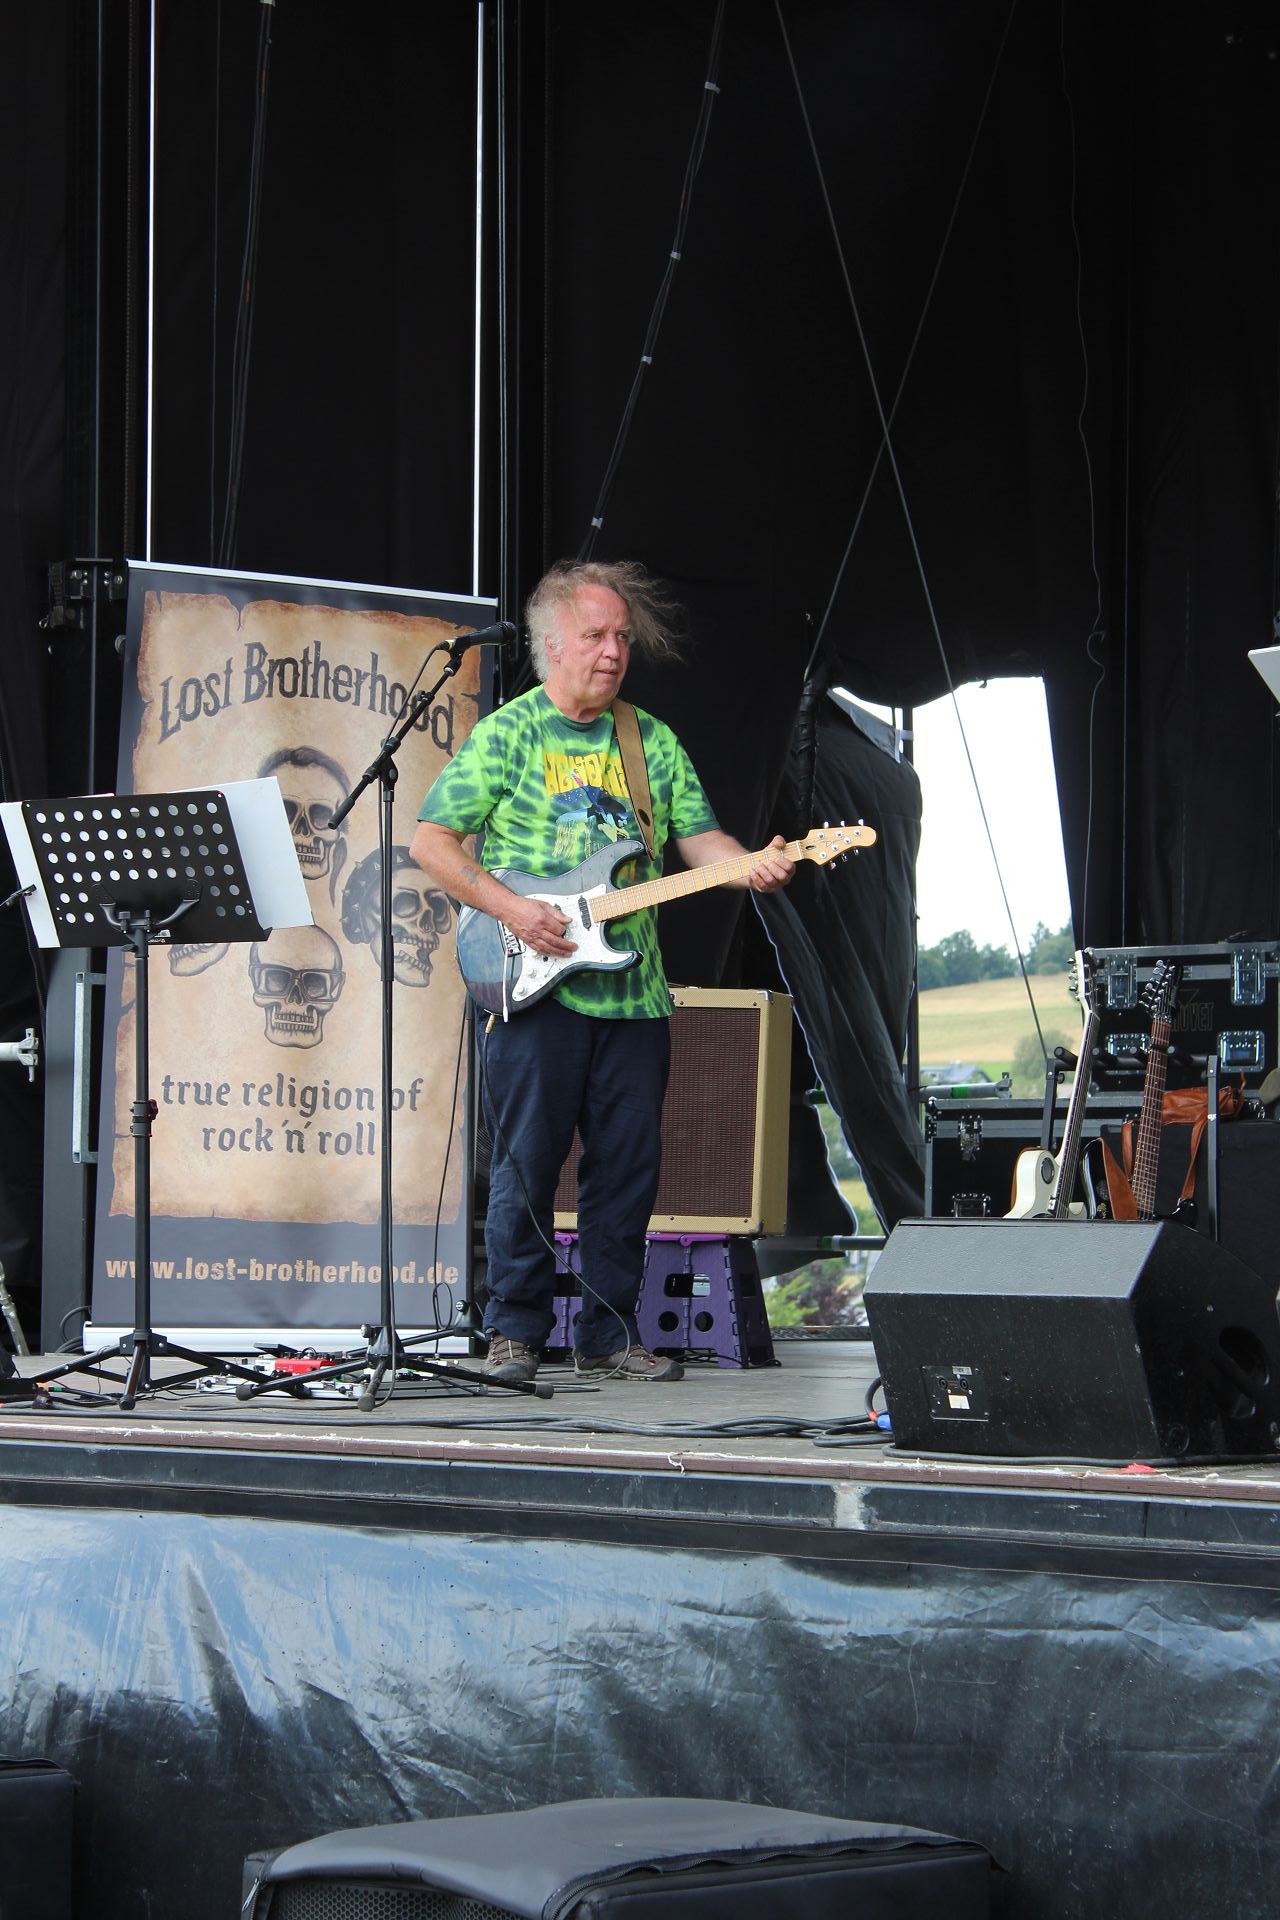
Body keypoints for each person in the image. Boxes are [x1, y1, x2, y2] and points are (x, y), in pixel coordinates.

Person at [410, 560, 793, 1384]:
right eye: (595, 635)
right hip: (533, 989)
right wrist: (516, 911)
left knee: (627, 1173)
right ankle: (514, 1333)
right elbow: (431, 842)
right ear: (552, 644)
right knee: (526, 1167)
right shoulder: (509, 734)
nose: (614, 651)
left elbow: (700, 841)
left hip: (635, 997)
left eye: (622, 637)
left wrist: (749, 865)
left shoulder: (649, 740)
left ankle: (609, 1337)